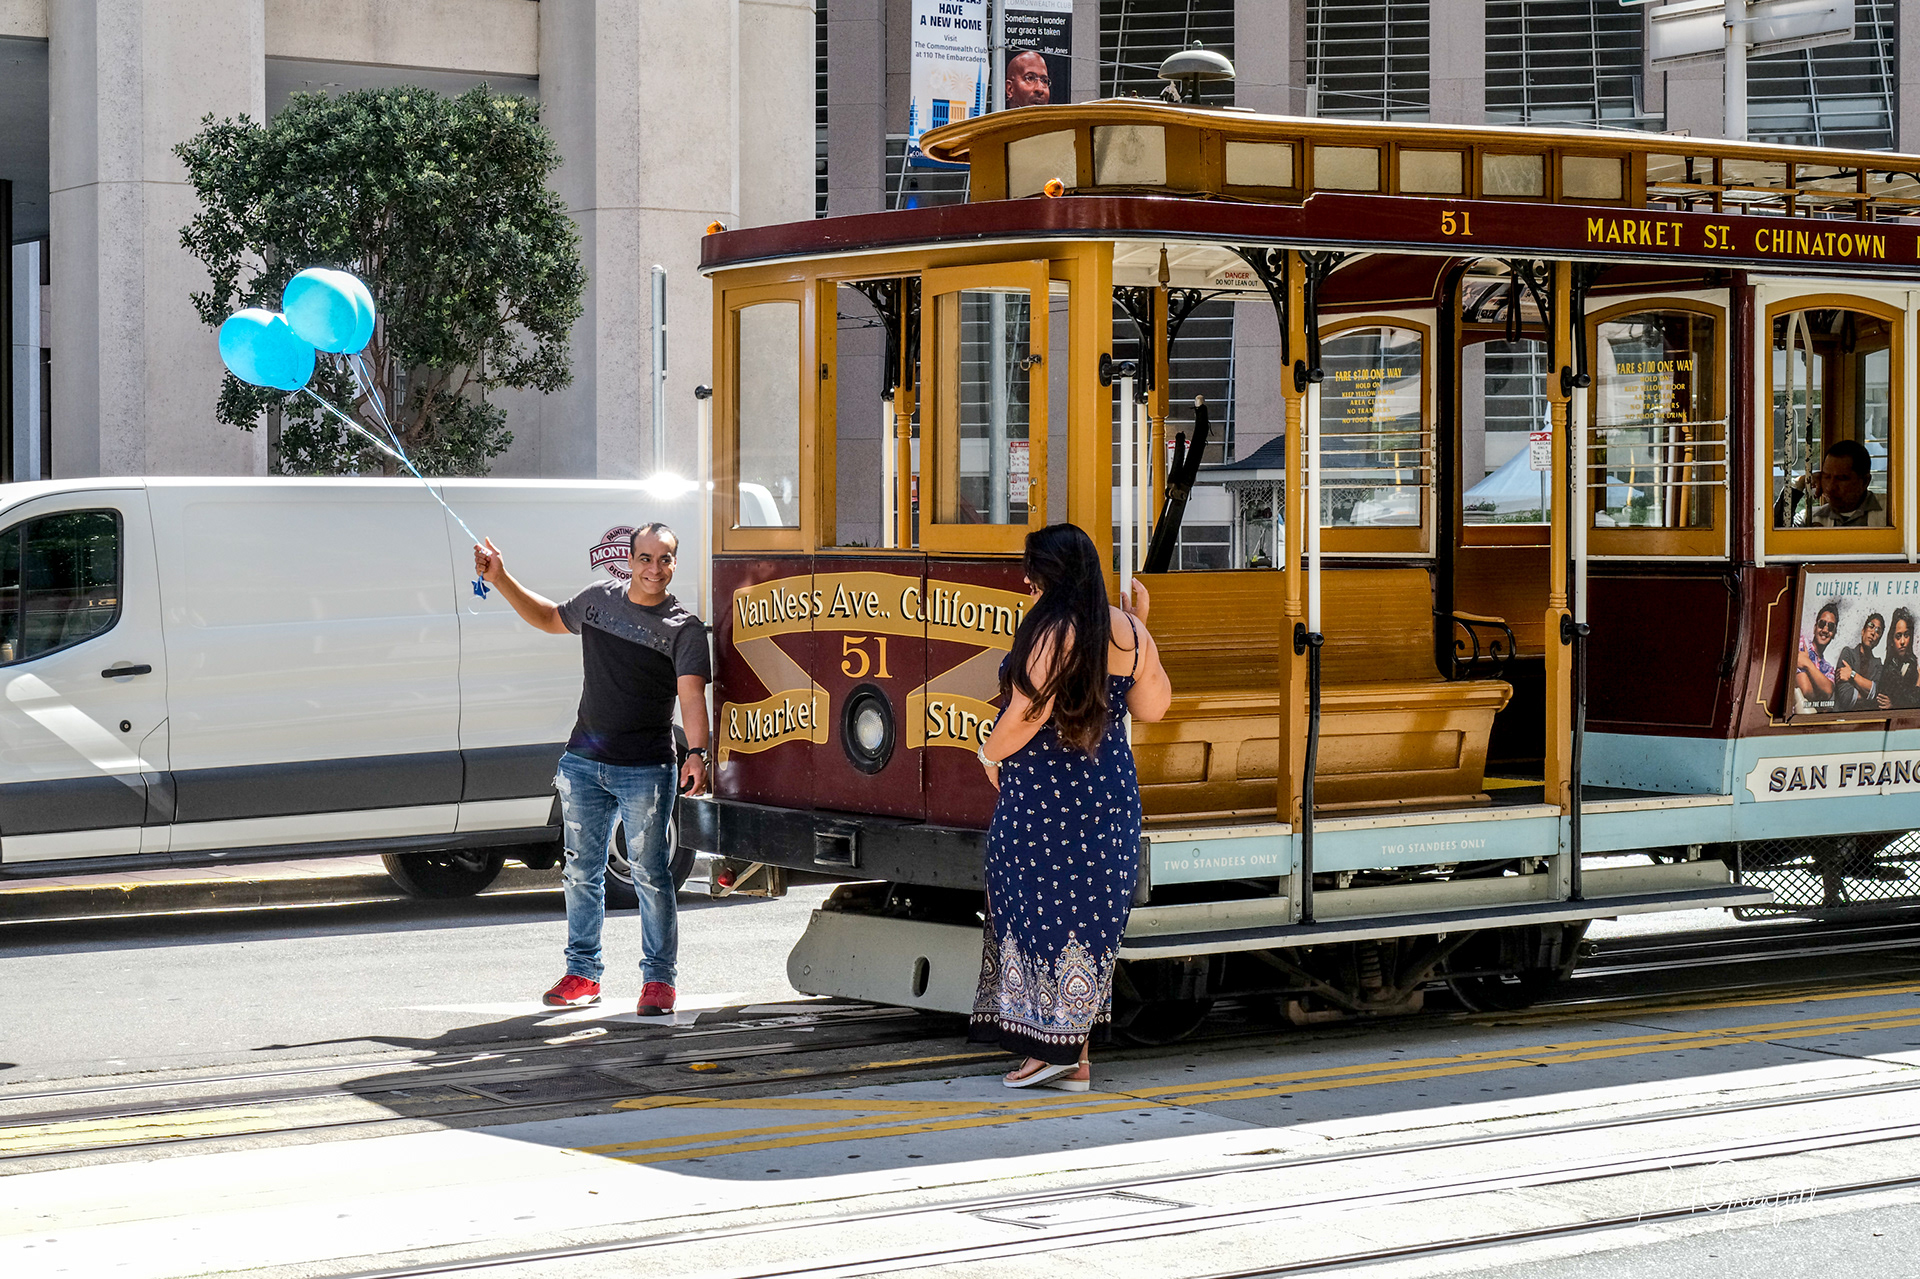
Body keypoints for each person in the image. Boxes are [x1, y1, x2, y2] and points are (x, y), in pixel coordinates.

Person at [475, 524, 711, 1016]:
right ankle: (583, 974)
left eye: (663, 560)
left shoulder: (683, 628)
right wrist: (500, 577)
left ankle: (659, 982)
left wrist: (697, 754)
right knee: (581, 872)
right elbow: (545, 617)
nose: (653, 568)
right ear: (628, 559)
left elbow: (691, 697)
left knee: (650, 874)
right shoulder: (598, 601)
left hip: (645, 768)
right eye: (644, 558)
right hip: (583, 763)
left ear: (673, 564)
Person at [970, 524, 1173, 1091]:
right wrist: (1140, 634)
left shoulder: (1053, 630)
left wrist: (987, 751)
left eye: (1031, 571)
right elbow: (1153, 707)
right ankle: (1072, 1058)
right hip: (1107, 797)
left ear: (1049, 575)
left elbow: (1028, 713)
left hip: (1044, 796)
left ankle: (1051, 1051)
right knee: (1082, 923)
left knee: (1033, 914)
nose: (1025, 580)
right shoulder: (1126, 630)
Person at [1780, 440, 1888, 528]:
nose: (1830, 487)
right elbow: (1775, 535)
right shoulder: (1811, 517)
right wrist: (1800, 483)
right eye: (1826, 477)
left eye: (1841, 479)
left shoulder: (1891, 513)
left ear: (1865, 481)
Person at [1834, 612, 1885, 713]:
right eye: (1871, 626)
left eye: (1878, 631)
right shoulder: (1848, 653)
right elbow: (1846, 696)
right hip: (1842, 720)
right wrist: (1869, 692)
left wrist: (1851, 674)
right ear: (1863, 631)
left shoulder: (1878, 664)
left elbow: (1876, 695)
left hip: (1868, 722)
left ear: (1878, 640)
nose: (1873, 633)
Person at [1794, 601, 1841, 712]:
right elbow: (1805, 689)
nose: (1825, 630)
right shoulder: (1801, 644)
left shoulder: (1829, 668)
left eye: (1830, 626)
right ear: (1815, 627)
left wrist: (1807, 663)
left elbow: (1828, 690)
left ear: (1834, 633)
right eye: (1822, 624)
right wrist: (1821, 698)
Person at [1879, 608, 1919, 711]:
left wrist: (1895, 704)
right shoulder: (1890, 668)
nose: (1902, 641)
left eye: (1906, 635)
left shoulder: (1912, 661)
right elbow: (1913, 701)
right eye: (1898, 636)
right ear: (1892, 640)